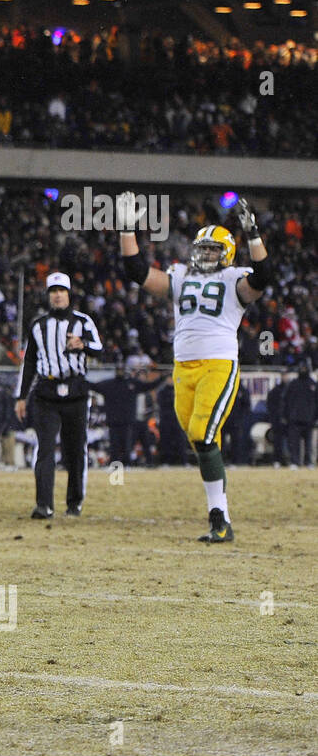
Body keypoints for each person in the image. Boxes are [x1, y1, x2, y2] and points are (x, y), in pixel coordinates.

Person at [120, 192, 271, 541]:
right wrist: (127, 228)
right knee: (199, 439)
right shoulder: (180, 275)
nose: (205, 255)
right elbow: (136, 270)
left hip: (217, 364)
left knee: (202, 433)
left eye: (213, 250)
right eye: (202, 249)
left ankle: (220, 518)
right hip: (183, 368)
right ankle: (219, 517)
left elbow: (263, 276)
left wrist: (254, 235)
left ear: (227, 254)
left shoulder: (235, 278)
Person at [14, 272, 103, 518]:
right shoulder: (38, 325)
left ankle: (74, 502)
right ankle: (44, 504)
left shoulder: (83, 321)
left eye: (61, 291)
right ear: (48, 296)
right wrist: (21, 397)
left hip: (75, 391)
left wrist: (82, 344)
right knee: (44, 449)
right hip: (46, 392)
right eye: (53, 291)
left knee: (75, 450)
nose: (58, 295)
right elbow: (29, 362)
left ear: (69, 294)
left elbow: (100, 349)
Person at [87, 359, 166, 467]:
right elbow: (93, 386)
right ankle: (115, 464)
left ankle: (127, 463)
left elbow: (149, 386)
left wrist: (161, 379)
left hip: (127, 421)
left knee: (127, 445)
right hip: (114, 421)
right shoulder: (110, 384)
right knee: (115, 445)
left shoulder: (131, 383)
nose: (120, 372)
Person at [282, 361, 316, 467]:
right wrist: (286, 415)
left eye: (304, 368)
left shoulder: (313, 384)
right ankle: (294, 462)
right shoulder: (293, 384)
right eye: (301, 368)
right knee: (294, 443)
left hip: (309, 419)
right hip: (294, 419)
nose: (303, 370)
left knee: (309, 444)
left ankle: (308, 462)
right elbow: (285, 401)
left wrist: (315, 418)